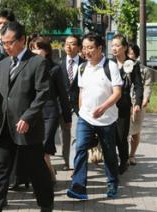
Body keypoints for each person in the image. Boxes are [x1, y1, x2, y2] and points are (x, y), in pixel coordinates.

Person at [0, 21, 54, 212]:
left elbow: (43, 94)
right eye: (3, 43)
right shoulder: (3, 63)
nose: (7, 47)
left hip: (27, 127)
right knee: (0, 168)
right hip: (4, 126)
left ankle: (46, 204)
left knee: (36, 170)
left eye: (10, 42)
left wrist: (28, 117)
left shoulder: (37, 62)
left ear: (22, 40)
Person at [67, 32, 122, 200]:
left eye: (90, 48)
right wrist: (82, 110)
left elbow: (117, 92)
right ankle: (78, 187)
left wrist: (103, 107)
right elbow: (81, 91)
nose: (86, 51)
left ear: (99, 48)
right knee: (80, 148)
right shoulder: (83, 67)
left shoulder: (110, 66)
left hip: (107, 118)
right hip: (85, 117)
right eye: (84, 48)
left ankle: (112, 183)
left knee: (109, 153)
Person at [29, 36, 72, 183]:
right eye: (33, 48)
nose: (35, 51)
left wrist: (67, 118)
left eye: (39, 47)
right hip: (33, 114)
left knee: (44, 146)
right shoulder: (27, 67)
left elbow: (62, 93)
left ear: (46, 50)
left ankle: (50, 178)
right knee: (37, 148)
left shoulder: (55, 68)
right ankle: (49, 174)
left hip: (50, 113)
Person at [111, 34, 143, 174]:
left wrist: (138, 103)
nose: (114, 48)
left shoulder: (132, 64)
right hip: (108, 105)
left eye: (117, 45)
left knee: (121, 136)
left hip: (123, 105)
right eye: (112, 45)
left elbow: (138, 85)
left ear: (124, 47)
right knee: (109, 136)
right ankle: (111, 162)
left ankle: (123, 161)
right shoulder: (108, 63)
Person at [58, 35, 85, 170]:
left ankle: (75, 164)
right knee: (64, 135)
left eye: (73, 44)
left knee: (76, 135)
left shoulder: (85, 64)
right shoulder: (58, 64)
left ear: (79, 47)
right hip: (62, 106)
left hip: (78, 106)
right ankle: (65, 161)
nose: (69, 46)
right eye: (67, 44)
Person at [127, 44, 152, 165]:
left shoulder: (144, 70)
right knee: (122, 131)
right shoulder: (121, 67)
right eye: (127, 54)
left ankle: (132, 155)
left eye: (131, 54)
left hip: (138, 104)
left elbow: (147, 86)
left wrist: (145, 99)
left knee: (135, 131)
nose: (129, 56)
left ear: (136, 55)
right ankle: (122, 154)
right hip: (123, 104)